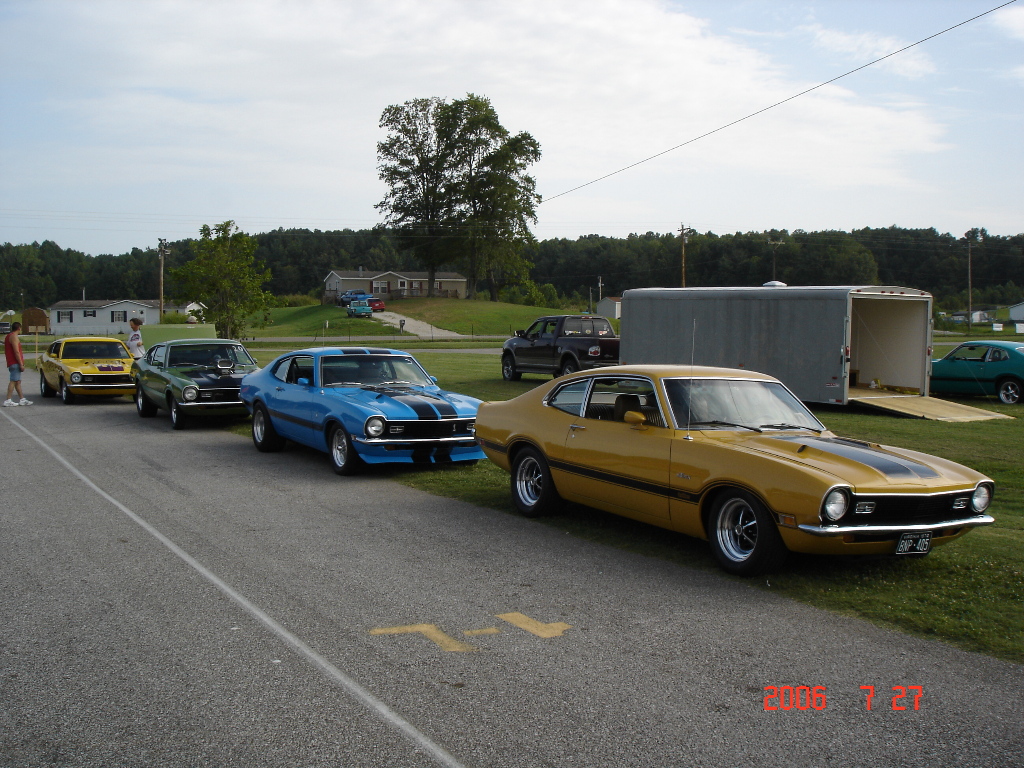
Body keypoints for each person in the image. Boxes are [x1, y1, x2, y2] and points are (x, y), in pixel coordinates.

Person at [4, 321, 31, 407]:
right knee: (13, 380)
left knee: (17, 381)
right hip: (14, 362)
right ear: (19, 328)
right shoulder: (14, 337)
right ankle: (8, 399)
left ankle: (22, 399)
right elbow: (16, 351)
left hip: (12, 362)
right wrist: (21, 363)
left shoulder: (8, 336)